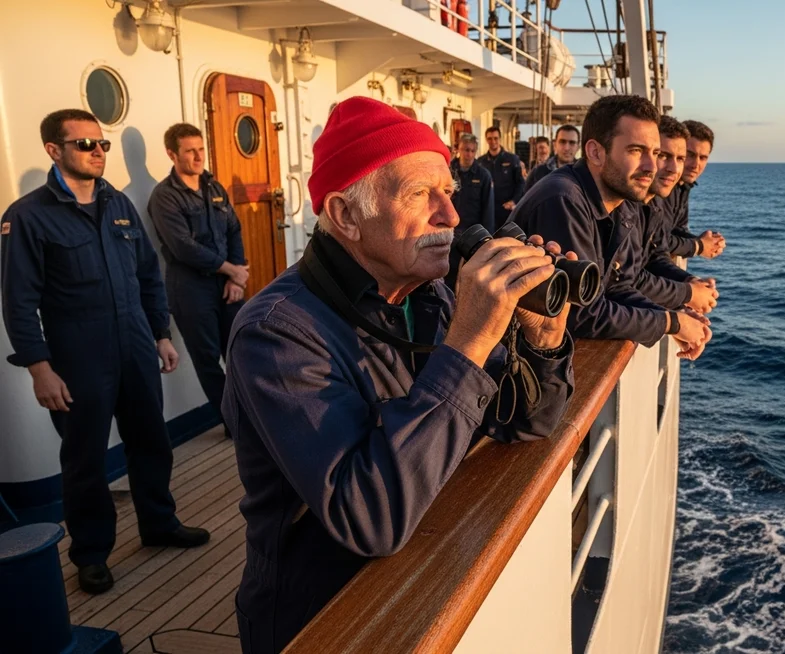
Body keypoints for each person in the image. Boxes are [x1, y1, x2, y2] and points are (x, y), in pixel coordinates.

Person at [223, 97, 576, 653]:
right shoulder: (275, 333)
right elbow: (373, 519)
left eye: (448, 192)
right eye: (419, 195)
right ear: (346, 216)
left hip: (430, 574)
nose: (451, 216)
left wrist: (543, 338)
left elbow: (524, 423)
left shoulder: (429, 294)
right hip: (326, 620)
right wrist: (469, 343)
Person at [1, 109, 210, 595]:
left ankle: (159, 523)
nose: (98, 152)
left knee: (151, 440)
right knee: (85, 459)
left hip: (135, 343)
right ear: (54, 150)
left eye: (102, 144)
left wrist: (160, 333)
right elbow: (19, 301)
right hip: (77, 354)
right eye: (85, 144)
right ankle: (91, 554)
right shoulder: (27, 216)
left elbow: (147, 275)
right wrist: (39, 368)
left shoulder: (118, 204)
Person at [509, 95, 711, 360]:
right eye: (636, 151)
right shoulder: (563, 200)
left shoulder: (619, 201)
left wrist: (671, 316)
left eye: (655, 153)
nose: (651, 167)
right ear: (595, 152)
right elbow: (582, 312)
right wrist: (670, 323)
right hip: (515, 364)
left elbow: (618, 285)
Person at [147, 123, 248, 435]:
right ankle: (235, 426)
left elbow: (233, 229)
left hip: (227, 284)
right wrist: (231, 269)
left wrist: (236, 277)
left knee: (242, 352)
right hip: (191, 289)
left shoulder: (214, 188)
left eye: (201, 149)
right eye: (190, 151)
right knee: (208, 361)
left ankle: (254, 417)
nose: (198, 156)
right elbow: (183, 247)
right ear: (172, 154)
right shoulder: (164, 197)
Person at [634, 116, 719, 315]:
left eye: (680, 158)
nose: (694, 164)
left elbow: (656, 252)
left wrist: (690, 282)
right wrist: (699, 246)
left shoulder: (667, 193)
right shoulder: (639, 200)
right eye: (663, 155)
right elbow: (624, 279)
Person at [656, 119, 725, 260]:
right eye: (690, 155)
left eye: (703, 158)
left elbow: (676, 230)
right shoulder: (661, 187)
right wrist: (699, 246)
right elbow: (657, 240)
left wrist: (707, 243)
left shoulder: (683, 186)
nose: (696, 164)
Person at [448, 133, 495, 289]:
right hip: (449, 232)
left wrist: (486, 238)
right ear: (459, 149)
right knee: (446, 274)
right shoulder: (448, 171)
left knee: (469, 277)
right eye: (465, 150)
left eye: (472, 151)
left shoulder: (483, 175)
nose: (468, 154)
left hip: (471, 235)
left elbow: (488, 209)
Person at [479, 126, 526, 224]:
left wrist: (514, 201)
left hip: (506, 211)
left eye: (495, 138)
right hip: (487, 211)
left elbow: (521, 183)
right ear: (486, 140)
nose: (493, 141)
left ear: (500, 139)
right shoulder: (481, 162)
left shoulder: (512, 159)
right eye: (490, 138)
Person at [526, 124, 580, 189]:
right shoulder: (538, 172)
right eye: (562, 142)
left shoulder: (583, 173)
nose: (566, 148)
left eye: (572, 143)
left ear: (578, 147)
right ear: (555, 144)